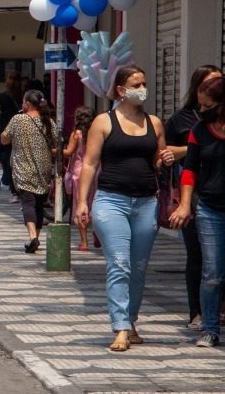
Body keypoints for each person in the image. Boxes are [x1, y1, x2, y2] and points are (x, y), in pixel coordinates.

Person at [76, 65, 174, 352]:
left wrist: (164, 158)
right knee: (119, 264)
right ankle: (119, 327)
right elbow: (90, 163)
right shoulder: (103, 122)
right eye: (136, 84)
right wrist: (83, 201)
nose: (142, 89)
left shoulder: (154, 123)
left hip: (146, 202)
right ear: (121, 90)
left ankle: (131, 321)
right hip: (111, 201)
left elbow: (157, 159)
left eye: (144, 83)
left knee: (139, 268)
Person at [165, 65, 223, 331]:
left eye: (208, 105)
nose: (203, 110)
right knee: (207, 266)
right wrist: (186, 204)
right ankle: (206, 323)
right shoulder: (192, 125)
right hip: (206, 204)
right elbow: (188, 167)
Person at [1, 89, 58, 254]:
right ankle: (36, 238)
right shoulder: (48, 122)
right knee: (39, 204)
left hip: (23, 168)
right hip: (43, 168)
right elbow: (56, 143)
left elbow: (4, 139)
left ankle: (33, 237)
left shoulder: (18, 119)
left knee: (27, 203)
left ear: (26, 104)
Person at [63, 106, 98, 251]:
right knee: (95, 203)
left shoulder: (76, 134)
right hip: (97, 171)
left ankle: (84, 242)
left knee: (80, 204)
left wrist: (57, 150)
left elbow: (68, 152)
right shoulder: (96, 133)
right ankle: (97, 233)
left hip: (79, 172)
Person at [0, 71, 23, 202]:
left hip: (7, 131)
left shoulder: (2, 97)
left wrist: (3, 118)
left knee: (9, 162)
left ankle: (14, 192)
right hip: (22, 130)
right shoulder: (23, 96)